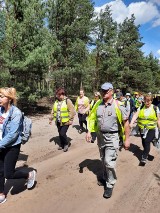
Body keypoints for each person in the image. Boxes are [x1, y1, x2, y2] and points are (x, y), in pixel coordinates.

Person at [86, 82, 130, 199]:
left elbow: (126, 124)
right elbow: (91, 118)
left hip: (112, 137)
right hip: (100, 137)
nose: (103, 93)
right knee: (103, 159)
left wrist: (127, 140)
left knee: (109, 161)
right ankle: (106, 178)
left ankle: (110, 184)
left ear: (111, 91)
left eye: (106, 91)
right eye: (102, 90)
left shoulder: (119, 105)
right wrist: (89, 131)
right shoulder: (98, 104)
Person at [0, 87, 36, 204]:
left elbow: (12, 135)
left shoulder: (16, 113)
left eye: (1, 96)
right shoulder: (0, 110)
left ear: (9, 99)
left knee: (8, 174)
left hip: (12, 146)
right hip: (1, 145)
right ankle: (1, 193)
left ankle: (29, 175)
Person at [130, 94, 160, 166]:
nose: (147, 102)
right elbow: (136, 115)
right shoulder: (141, 107)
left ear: (151, 101)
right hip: (142, 128)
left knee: (147, 141)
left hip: (151, 128)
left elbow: (158, 120)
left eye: (149, 101)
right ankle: (146, 151)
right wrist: (131, 122)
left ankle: (144, 157)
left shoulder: (155, 108)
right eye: (145, 100)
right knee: (144, 142)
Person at [49, 88, 75, 152]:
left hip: (65, 121)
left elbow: (72, 111)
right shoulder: (57, 101)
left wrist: (71, 119)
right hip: (58, 121)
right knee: (60, 133)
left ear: (62, 94)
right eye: (57, 95)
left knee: (62, 133)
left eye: (58, 95)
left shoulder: (67, 101)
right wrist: (51, 118)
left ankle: (66, 143)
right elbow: (53, 110)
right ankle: (62, 144)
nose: (57, 96)